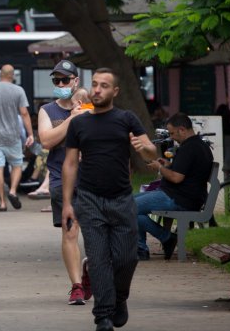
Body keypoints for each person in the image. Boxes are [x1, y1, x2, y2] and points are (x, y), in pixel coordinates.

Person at [62, 67, 157, 331]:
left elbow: (151, 154)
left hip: (122, 199)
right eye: (95, 84)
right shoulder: (79, 123)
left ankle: (120, 297)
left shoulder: (127, 119)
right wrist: (68, 203)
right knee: (99, 258)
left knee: (128, 258)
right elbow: (70, 164)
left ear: (115, 91)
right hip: (89, 200)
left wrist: (144, 148)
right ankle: (102, 316)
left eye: (104, 85)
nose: (97, 90)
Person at [37, 60, 92, 305]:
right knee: (70, 233)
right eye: (56, 81)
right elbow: (47, 141)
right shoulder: (47, 111)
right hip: (61, 181)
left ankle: (91, 271)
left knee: (96, 233)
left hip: (92, 180)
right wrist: (71, 119)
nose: (60, 84)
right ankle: (77, 286)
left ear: (75, 81)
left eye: (64, 80)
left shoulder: (92, 108)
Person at [135, 113, 214, 260]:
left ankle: (163, 240)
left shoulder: (189, 148)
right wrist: (168, 165)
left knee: (127, 206)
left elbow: (177, 178)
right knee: (128, 204)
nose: (171, 137)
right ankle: (145, 248)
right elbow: (186, 171)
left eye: (172, 133)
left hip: (178, 199)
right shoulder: (198, 146)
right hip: (182, 195)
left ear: (182, 130)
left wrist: (159, 168)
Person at [0, 64, 34, 211]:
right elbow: (24, 113)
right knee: (16, 165)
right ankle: (13, 191)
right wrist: (30, 134)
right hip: (13, 136)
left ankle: (2, 203)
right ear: (12, 76)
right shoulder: (19, 90)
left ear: (0, 74)